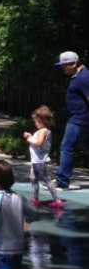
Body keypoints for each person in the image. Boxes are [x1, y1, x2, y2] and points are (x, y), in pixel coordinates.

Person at [53, 51, 89, 190]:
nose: (62, 68)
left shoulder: (83, 77)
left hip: (80, 119)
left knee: (67, 147)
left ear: (74, 64)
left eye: (64, 65)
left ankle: (62, 180)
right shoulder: (79, 76)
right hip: (81, 119)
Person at [24, 105, 64, 209]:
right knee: (33, 179)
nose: (35, 123)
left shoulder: (43, 131)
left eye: (36, 121)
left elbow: (39, 143)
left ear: (42, 121)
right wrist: (31, 136)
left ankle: (57, 200)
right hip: (36, 160)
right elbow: (37, 141)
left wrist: (28, 139)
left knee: (46, 179)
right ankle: (36, 199)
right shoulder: (44, 131)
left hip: (40, 161)